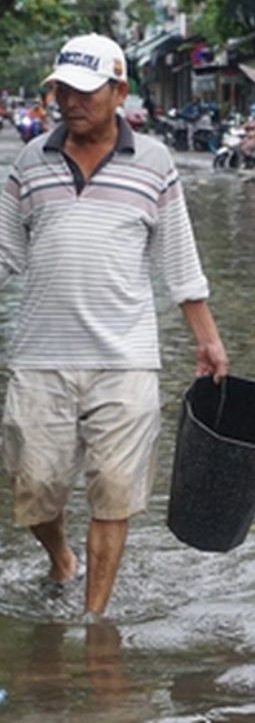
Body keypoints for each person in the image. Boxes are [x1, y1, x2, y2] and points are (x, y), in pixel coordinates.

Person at [0, 34, 228, 617]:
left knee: (114, 493)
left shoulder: (153, 163)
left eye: (83, 91)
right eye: (61, 91)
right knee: (34, 489)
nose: (68, 102)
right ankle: (62, 560)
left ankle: (94, 621)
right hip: (39, 356)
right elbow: (5, 256)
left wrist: (207, 338)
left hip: (125, 357)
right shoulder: (30, 162)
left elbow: (178, 258)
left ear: (118, 92)